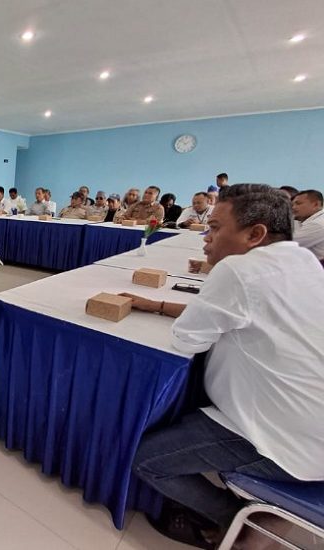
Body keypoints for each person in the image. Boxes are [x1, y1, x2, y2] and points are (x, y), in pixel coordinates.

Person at [121, 184, 324, 548]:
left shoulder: (239, 270)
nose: (205, 238)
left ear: (255, 234)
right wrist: (161, 306)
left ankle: (234, 517)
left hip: (285, 441)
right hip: (314, 429)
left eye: (215, 228)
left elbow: (187, 340)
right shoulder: (304, 260)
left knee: (145, 458)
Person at [292, 189, 324, 261]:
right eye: (293, 204)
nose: (293, 207)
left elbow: (288, 244)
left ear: (316, 204)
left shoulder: (318, 223)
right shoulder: (303, 219)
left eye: (298, 203)